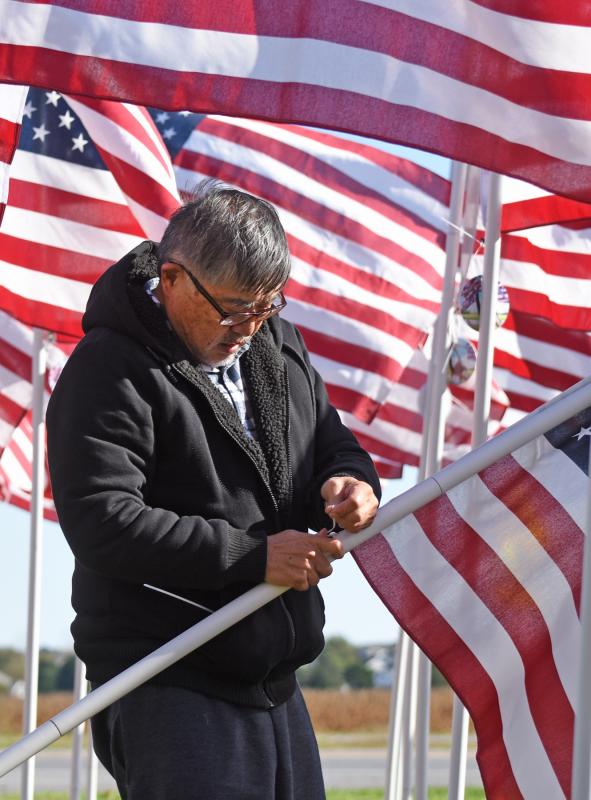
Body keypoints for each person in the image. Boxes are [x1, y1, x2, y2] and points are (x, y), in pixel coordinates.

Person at [46, 181, 380, 799]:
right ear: (171, 279)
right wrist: (253, 556)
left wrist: (350, 482)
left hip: (276, 677)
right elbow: (103, 521)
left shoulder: (278, 348)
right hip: (167, 676)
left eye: (267, 306)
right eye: (232, 308)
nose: (249, 327)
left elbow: (329, 441)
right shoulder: (107, 368)